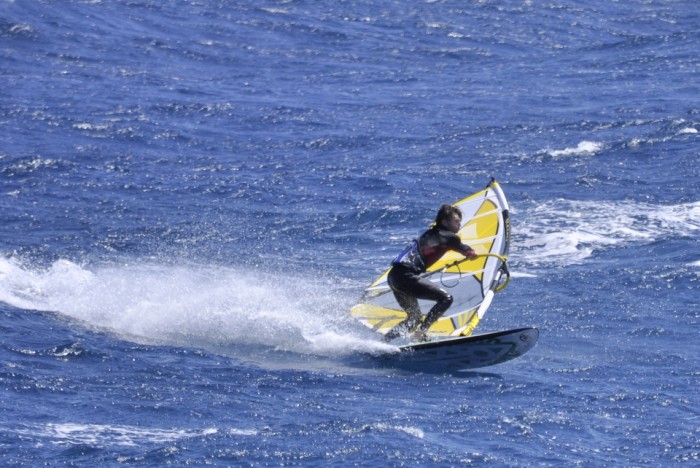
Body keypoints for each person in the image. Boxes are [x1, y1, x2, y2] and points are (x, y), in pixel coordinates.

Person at [384, 204, 478, 342]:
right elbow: (468, 251)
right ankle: (421, 333)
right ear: (445, 222)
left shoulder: (428, 232)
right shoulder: (450, 236)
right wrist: (473, 254)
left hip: (393, 277)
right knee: (446, 299)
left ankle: (383, 342)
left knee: (414, 318)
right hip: (406, 276)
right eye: (456, 221)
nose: (459, 225)